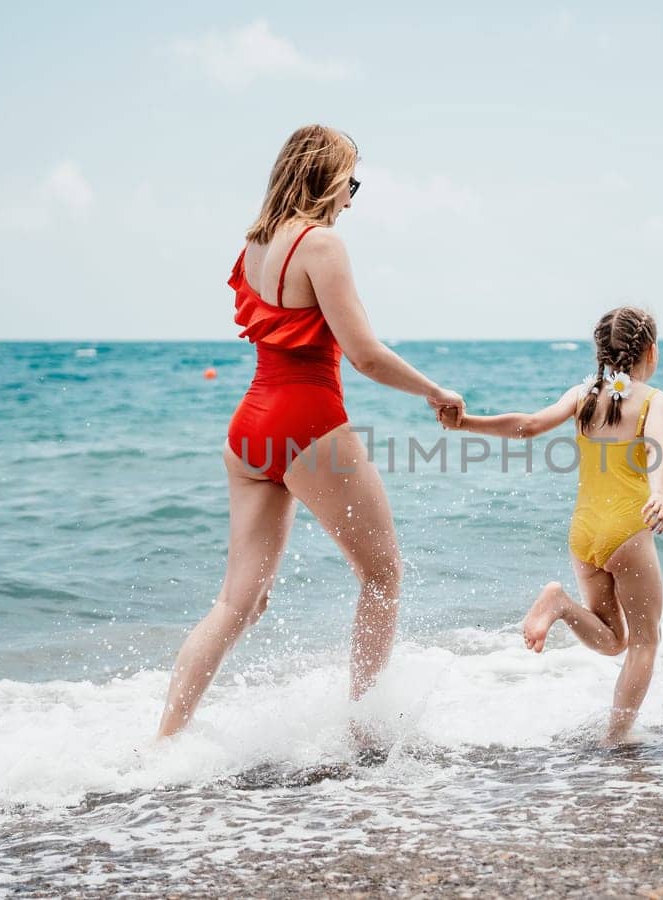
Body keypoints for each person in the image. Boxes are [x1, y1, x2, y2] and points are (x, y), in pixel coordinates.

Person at [156, 125, 464, 740]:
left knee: (236, 604)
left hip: (249, 431)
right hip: (308, 423)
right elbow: (366, 355)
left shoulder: (254, 246)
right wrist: (435, 391)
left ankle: (164, 743)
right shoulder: (321, 245)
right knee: (382, 578)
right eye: (350, 182)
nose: (352, 197)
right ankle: (363, 731)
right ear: (327, 178)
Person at [439, 306, 663, 744]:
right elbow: (658, 443)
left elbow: (527, 426)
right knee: (644, 642)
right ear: (651, 352)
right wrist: (659, 492)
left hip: (584, 534)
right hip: (627, 530)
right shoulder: (654, 399)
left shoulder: (583, 393)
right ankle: (616, 739)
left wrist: (466, 423)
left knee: (612, 640)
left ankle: (560, 603)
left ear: (601, 352)